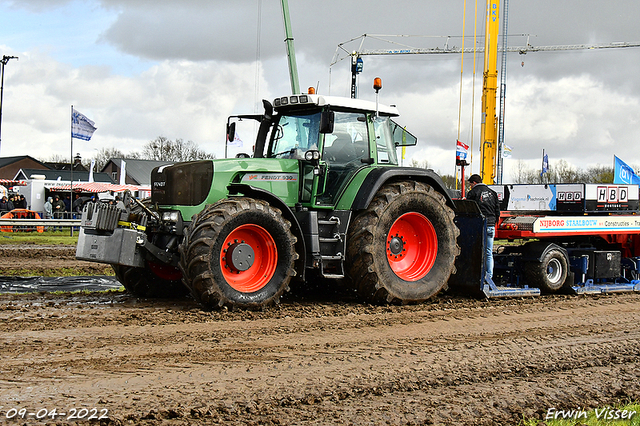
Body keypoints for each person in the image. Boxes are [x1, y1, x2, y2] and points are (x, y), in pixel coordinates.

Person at [466, 174, 501, 280]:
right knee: (488, 252)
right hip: (490, 225)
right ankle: (489, 277)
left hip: (479, 225)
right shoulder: (493, 193)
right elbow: (497, 211)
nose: (470, 186)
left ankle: (477, 277)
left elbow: (469, 210)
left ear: (474, 183)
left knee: (476, 251)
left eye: (470, 184)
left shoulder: (472, 193)